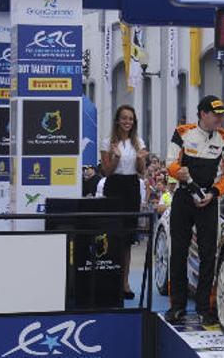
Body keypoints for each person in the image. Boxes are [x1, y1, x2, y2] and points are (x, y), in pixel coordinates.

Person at [164, 96, 224, 325]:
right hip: (183, 197)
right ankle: (176, 307)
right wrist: (180, 173)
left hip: (209, 200)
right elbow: (170, 162)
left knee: (209, 254)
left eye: (222, 114)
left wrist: (214, 194)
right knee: (178, 251)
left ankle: (204, 307)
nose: (220, 118)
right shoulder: (182, 132)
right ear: (202, 114)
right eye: (215, 113)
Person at [100, 105, 148, 300]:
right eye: (124, 118)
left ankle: (125, 282)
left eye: (131, 119)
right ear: (117, 120)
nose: (128, 122)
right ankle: (110, 281)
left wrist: (139, 158)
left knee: (127, 239)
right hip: (114, 186)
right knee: (112, 237)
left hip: (131, 188)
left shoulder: (139, 142)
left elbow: (141, 171)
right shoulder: (107, 142)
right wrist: (116, 158)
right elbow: (106, 171)